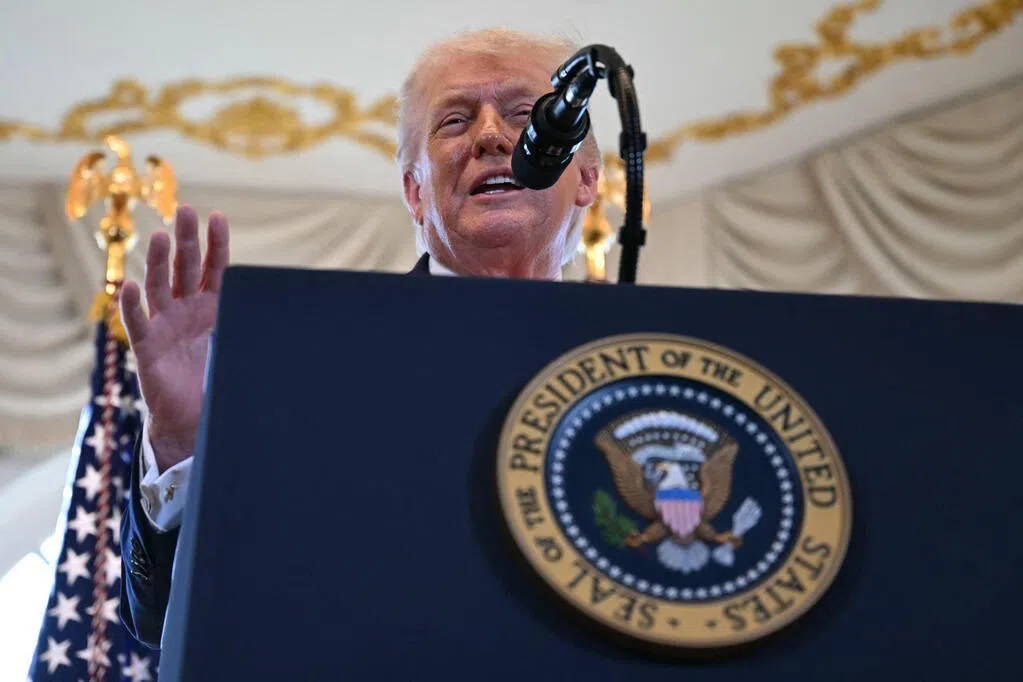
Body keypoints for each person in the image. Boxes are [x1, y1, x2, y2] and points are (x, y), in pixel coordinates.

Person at [118, 27, 602, 648]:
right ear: (414, 191)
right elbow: (163, 619)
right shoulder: (304, 364)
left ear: (585, 177)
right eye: (454, 121)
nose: (489, 135)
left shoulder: (643, 364)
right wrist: (182, 443)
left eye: (524, 115)